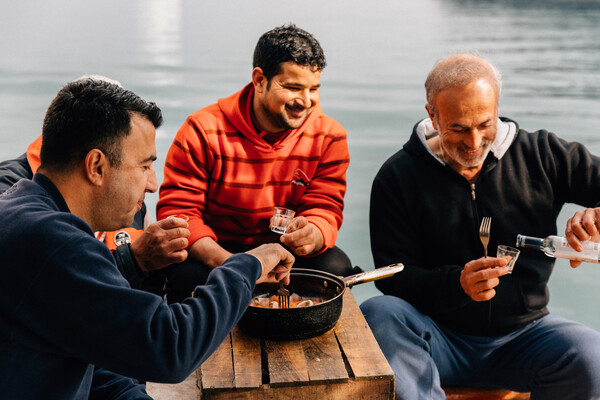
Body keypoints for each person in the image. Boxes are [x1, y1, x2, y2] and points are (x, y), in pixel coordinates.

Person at [0, 77, 293, 399]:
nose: (153, 185)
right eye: (144, 166)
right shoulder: (53, 242)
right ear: (96, 166)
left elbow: (91, 359)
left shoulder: (24, 210)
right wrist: (246, 266)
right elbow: (170, 347)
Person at [361, 53, 600, 399]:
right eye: (458, 128)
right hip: (434, 337)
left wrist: (595, 215)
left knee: (592, 356)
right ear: (432, 114)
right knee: (380, 313)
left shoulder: (543, 154)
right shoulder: (397, 177)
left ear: (497, 107)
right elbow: (393, 275)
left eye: (484, 124)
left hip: (524, 336)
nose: (474, 142)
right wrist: (457, 283)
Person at [157, 24, 356, 303]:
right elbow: (180, 212)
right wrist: (237, 266)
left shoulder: (329, 137)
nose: (306, 101)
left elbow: (326, 206)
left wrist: (314, 232)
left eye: (313, 89)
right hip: (216, 251)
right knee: (184, 275)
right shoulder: (202, 130)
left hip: (284, 256)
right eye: (293, 87)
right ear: (259, 80)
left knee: (334, 268)